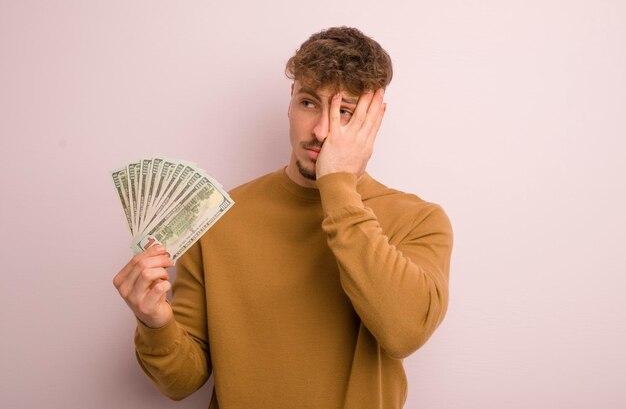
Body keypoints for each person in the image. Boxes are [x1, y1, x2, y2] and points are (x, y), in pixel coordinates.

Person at [113, 26, 453, 409]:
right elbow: (182, 382)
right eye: (310, 103)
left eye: (345, 112)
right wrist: (156, 323)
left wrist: (338, 185)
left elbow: (404, 333)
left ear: (375, 119)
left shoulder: (419, 220)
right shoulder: (216, 217)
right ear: (291, 100)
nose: (322, 131)